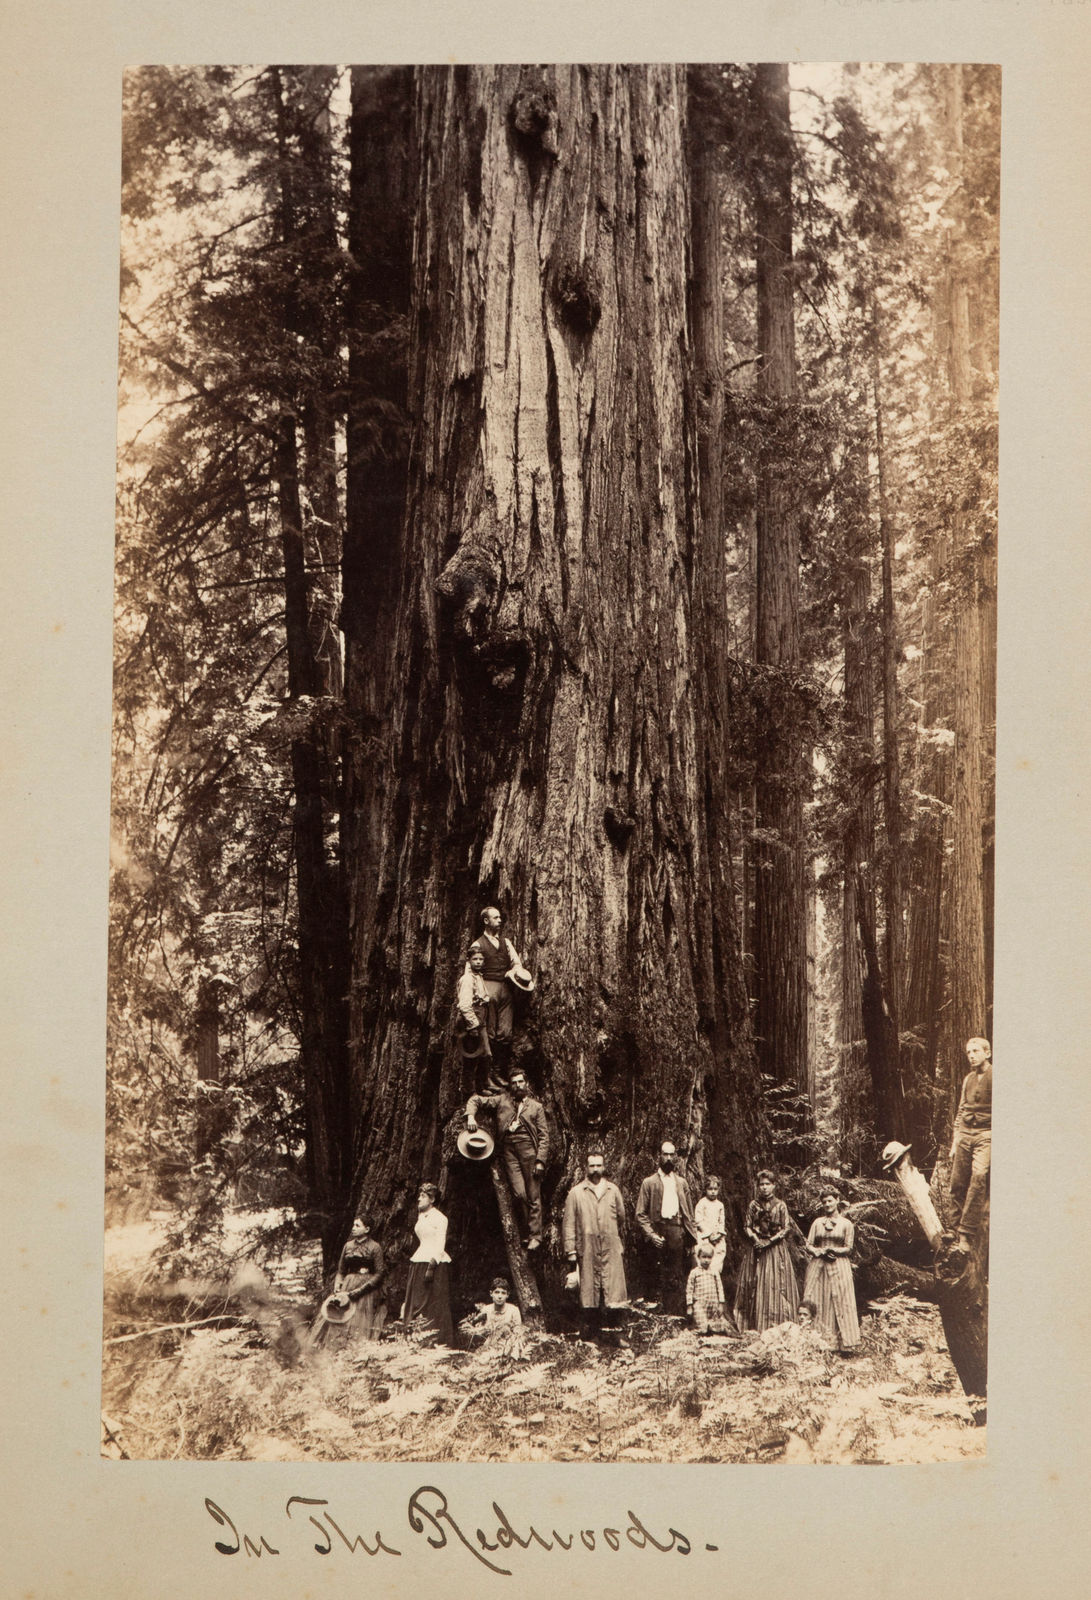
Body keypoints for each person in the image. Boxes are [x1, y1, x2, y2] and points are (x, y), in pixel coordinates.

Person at [465, 1069, 549, 1249]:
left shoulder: (536, 1107)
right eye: (514, 1083)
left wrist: (540, 1160)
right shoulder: (502, 1100)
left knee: (534, 1194)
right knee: (519, 1194)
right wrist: (471, 1116)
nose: (518, 1086)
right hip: (508, 1150)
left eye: (521, 1082)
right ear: (510, 1086)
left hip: (529, 1151)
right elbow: (476, 1099)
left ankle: (535, 1235)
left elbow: (544, 1136)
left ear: (526, 1083)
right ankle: (527, 1231)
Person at [562, 1150, 628, 1335]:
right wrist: (571, 1251)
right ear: (586, 1168)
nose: (596, 1169)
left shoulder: (613, 1190)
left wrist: (610, 1233)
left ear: (604, 1167)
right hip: (588, 1248)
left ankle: (616, 1334)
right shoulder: (576, 1193)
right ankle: (591, 1334)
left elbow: (621, 1217)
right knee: (589, 1291)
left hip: (610, 1247)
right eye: (592, 1166)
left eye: (599, 1165)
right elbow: (568, 1224)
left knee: (613, 1289)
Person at [636, 1141, 698, 1315]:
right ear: (659, 1156)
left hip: (676, 1230)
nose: (669, 1158)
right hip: (657, 1229)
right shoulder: (649, 1183)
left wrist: (690, 1236)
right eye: (665, 1154)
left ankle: (674, 1312)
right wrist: (651, 1234)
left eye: (672, 1155)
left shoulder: (681, 1183)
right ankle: (655, 1311)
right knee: (655, 1270)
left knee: (675, 1271)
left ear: (676, 1157)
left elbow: (689, 1213)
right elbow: (640, 1214)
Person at [734, 1169, 800, 1332]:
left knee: (775, 1283)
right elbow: (747, 1226)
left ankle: (779, 1324)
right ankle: (755, 1325)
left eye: (767, 1184)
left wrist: (769, 1241)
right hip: (756, 1249)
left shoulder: (781, 1205)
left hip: (775, 1250)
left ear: (774, 1186)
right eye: (761, 1184)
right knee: (754, 1282)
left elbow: (786, 1228)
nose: (764, 1188)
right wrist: (756, 1240)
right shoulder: (753, 1205)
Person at [469, 907, 532, 1074]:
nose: (499, 920)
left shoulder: (506, 943)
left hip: (505, 989)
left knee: (505, 1032)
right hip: (487, 989)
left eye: (499, 918)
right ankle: (487, 1071)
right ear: (486, 921)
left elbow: (516, 963)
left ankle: (499, 1069)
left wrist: (513, 971)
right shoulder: (478, 944)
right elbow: (469, 971)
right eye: (495, 918)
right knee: (489, 1032)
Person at [310, 1214, 387, 1347]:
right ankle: (336, 1346)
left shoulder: (375, 1247)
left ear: (367, 1229)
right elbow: (341, 1271)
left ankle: (355, 1347)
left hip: (367, 1289)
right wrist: (337, 1286)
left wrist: (362, 1290)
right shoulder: (348, 1246)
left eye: (357, 1226)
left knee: (359, 1317)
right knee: (340, 1313)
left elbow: (379, 1273)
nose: (353, 1228)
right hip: (348, 1285)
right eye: (353, 1225)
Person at [803, 1187, 860, 1354]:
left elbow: (849, 1248)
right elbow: (808, 1244)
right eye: (824, 1202)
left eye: (830, 1200)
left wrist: (833, 1251)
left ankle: (846, 1344)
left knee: (842, 1300)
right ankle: (817, 1341)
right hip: (818, 1264)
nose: (827, 1204)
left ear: (837, 1200)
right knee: (817, 1298)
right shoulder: (817, 1223)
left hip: (839, 1265)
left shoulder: (846, 1224)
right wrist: (816, 1251)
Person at [948, 1036, 992, 1251]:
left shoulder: (996, 1077)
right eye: (968, 1052)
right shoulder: (967, 1079)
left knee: (979, 1176)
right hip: (965, 1133)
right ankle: (953, 1227)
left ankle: (965, 1234)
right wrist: (955, 1141)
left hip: (986, 1134)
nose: (972, 1056)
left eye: (975, 1051)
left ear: (987, 1053)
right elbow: (961, 1111)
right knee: (957, 1182)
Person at [401, 1182, 454, 1346]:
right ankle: (415, 1340)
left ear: (431, 1199)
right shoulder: (421, 1215)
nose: (419, 1199)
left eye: (422, 1196)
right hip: (419, 1260)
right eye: (419, 1195)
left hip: (433, 1264)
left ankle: (436, 1342)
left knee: (433, 1302)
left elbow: (440, 1244)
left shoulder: (440, 1218)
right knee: (416, 1301)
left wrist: (431, 1267)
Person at [685, 1243, 732, 1336]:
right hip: (700, 1304)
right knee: (702, 1327)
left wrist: (721, 1304)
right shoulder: (694, 1272)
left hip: (713, 1304)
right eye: (704, 1257)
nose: (706, 1260)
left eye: (709, 1257)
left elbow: (719, 1287)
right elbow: (689, 1289)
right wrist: (689, 1305)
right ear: (698, 1257)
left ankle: (711, 1333)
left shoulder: (714, 1272)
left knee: (716, 1327)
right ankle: (696, 1332)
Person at [465, 1278, 524, 1351]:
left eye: (503, 1293)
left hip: (508, 1346)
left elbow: (518, 1333)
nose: (500, 1296)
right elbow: (479, 1331)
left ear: (507, 1295)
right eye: (497, 1292)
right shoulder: (486, 1310)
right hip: (488, 1346)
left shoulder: (513, 1310)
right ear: (491, 1293)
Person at [455, 946, 492, 1060]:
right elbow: (464, 1005)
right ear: (469, 960)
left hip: (480, 1018)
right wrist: (473, 1026)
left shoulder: (478, 977)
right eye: (475, 959)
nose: (478, 962)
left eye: (481, 959)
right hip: (470, 1021)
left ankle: (484, 1077)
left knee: (485, 1053)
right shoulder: (467, 979)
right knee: (471, 1055)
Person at [693, 1173, 727, 1277]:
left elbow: (722, 1222)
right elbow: (698, 1220)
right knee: (703, 1259)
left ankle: (714, 1280)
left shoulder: (720, 1205)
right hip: (705, 1237)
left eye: (715, 1189)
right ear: (705, 1189)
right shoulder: (702, 1203)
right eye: (710, 1189)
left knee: (717, 1259)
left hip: (717, 1238)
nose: (713, 1192)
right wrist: (709, 1234)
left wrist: (719, 1234)